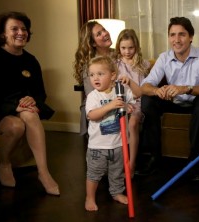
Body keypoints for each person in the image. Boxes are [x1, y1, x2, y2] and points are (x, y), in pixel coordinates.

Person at [0, 11, 59, 196]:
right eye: (14, 29)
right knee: (16, 126)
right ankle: (4, 164)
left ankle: (43, 173)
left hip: (24, 109)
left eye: (24, 29)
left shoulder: (31, 60)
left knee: (29, 113)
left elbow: (40, 93)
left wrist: (32, 100)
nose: (21, 32)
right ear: (3, 34)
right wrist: (13, 106)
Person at [136, 17, 199, 177]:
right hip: (174, 102)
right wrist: (156, 91)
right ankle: (154, 158)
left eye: (182, 34)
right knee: (147, 100)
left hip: (197, 104)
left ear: (191, 37)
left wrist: (185, 89)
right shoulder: (164, 57)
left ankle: (194, 160)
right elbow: (145, 86)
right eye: (172, 35)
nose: (176, 40)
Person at [84, 56, 141, 211]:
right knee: (94, 174)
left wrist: (128, 104)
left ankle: (116, 192)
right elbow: (92, 115)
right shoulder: (93, 96)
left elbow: (137, 95)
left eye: (100, 74)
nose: (95, 78)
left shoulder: (120, 90)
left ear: (113, 76)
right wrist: (110, 105)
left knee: (117, 172)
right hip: (98, 146)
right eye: (92, 74)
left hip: (118, 143)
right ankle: (89, 197)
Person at [115, 29, 150, 177]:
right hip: (121, 100)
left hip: (138, 101)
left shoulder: (143, 65)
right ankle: (115, 163)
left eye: (130, 48)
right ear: (119, 48)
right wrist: (122, 103)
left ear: (136, 47)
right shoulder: (114, 65)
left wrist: (130, 83)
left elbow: (140, 92)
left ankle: (131, 163)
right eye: (123, 48)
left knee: (133, 122)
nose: (127, 51)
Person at [73, 21, 115, 136]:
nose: (105, 34)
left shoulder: (119, 54)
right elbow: (92, 92)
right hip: (98, 100)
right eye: (99, 34)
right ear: (93, 43)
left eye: (104, 30)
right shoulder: (90, 64)